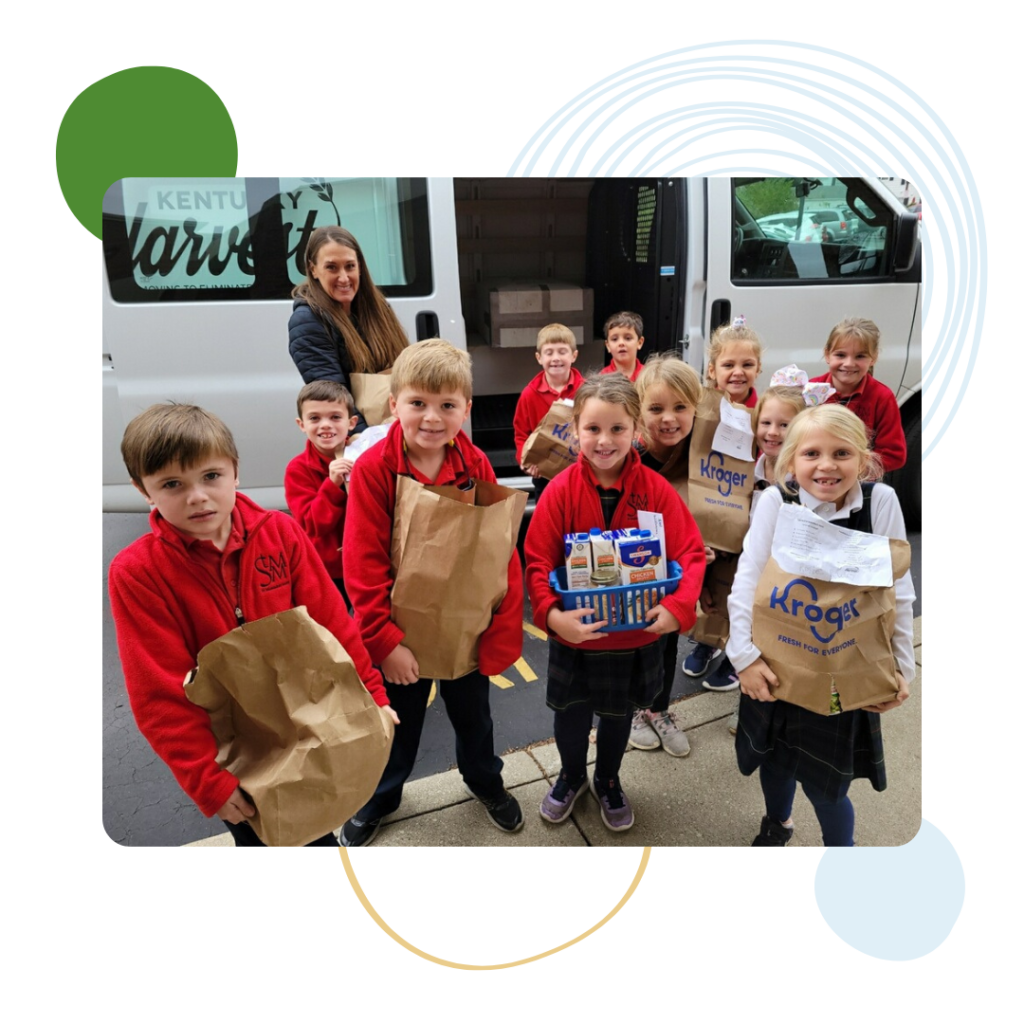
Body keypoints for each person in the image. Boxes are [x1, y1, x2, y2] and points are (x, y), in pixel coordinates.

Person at [107, 403, 398, 848]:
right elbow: (158, 695)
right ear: (143, 490)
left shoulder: (278, 533)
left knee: (321, 824)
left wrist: (373, 695)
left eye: (210, 476)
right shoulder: (138, 573)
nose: (198, 496)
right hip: (236, 754)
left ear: (234, 472)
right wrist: (210, 784)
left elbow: (333, 624)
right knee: (269, 838)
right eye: (172, 484)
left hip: (308, 717)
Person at [340, 340, 525, 847]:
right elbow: (362, 563)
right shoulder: (377, 470)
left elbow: (499, 549)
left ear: (467, 408)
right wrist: (382, 641)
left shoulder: (475, 464)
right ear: (394, 402)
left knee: (475, 719)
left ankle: (486, 782)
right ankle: (381, 796)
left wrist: (501, 626)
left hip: (464, 626)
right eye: (418, 403)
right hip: (401, 633)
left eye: (448, 405)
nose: (432, 417)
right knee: (397, 725)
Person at [726, 405, 915, 847]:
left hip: (844, 674)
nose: (827, 465)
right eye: (812, 453)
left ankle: (841, 853)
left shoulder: (880, 502)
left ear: (863, 460)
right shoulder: (776, 501)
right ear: (791, 461)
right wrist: (744, 657)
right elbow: (748, 581)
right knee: (772, 762)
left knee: (826, 784)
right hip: (776, 665)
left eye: (842, 453)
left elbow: (898, 593)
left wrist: (900, 670)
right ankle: (778, 823)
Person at [524, 373, 705, 831]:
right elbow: (536, 562)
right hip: (577, 636)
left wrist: (678, 607)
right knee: (570, 715)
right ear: (576, 429)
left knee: (618, 716)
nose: (604, 441)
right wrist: (550, 615)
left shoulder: (657, 491)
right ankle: (571, 775)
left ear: (635, 431)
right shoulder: (559, 491)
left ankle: (607, 779)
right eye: (593, 429)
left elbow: (690, 552)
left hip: (635, 634)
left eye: (617, 429)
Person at [628, 353, 708, 758]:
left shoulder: (703, 456)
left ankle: (658, 709)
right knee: (632, 644)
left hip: (679, 576)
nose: (669, 418)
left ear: (696, 408)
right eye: (656, 408)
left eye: (680, 407)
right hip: (634, 573)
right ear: (639, 411)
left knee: (666, 645)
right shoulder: (629, 457)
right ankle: (631, 712)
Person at [683, 316, 764, 681]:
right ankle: (708, 640)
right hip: (706, 514)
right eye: (728, 365)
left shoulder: (765, 413)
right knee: (709, 583)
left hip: (746, 517)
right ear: (712, 369)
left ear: (758, 368)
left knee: (738, 584)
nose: (738, 372)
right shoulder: (702, 409)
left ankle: (736, 648)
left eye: (747, 365)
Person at [288, 226, 409, 433]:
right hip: (361, 440)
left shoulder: (377, 307)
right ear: (313, 270)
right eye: (332, 267)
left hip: (396, 431)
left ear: (360, 267)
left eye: (350, 266)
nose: (343, 278)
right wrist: (369, 442)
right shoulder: (308, 321)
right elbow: (334, 400)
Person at [284, 380, 359, 609]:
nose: (325, 425)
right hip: (330, 570)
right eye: (315, 418)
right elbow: (312, 524)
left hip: (368, 562)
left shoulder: (364, 454)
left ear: (352, 422)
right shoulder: (298, 470)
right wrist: (332, 484)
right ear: (301, 424)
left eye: (335, 417)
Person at [809, 317, 907, 473]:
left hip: (859, 482)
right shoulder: (810, 390)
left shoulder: (882, 397)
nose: (848, 363)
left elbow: (894, 455)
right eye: (840, 355)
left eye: (860, 356)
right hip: (813, 476)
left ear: (873, 358)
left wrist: (849, 470)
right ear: (827, 354)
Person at [514, 323, 585, 505]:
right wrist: (527, 462)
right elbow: (521, 434)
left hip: (580, 473)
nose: (556, 358)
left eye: (562, 352)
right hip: (544, 474)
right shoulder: (529, 394)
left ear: (574, 356)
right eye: (549, 352)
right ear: (539, 357)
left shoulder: (586, 391)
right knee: (546, 517)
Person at [599, 311, 646, 382]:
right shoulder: (601, 379)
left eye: (628, 338)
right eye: (615, 339)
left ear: (639, 342)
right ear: (608, 346)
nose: (621, 343)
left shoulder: (648, 376)